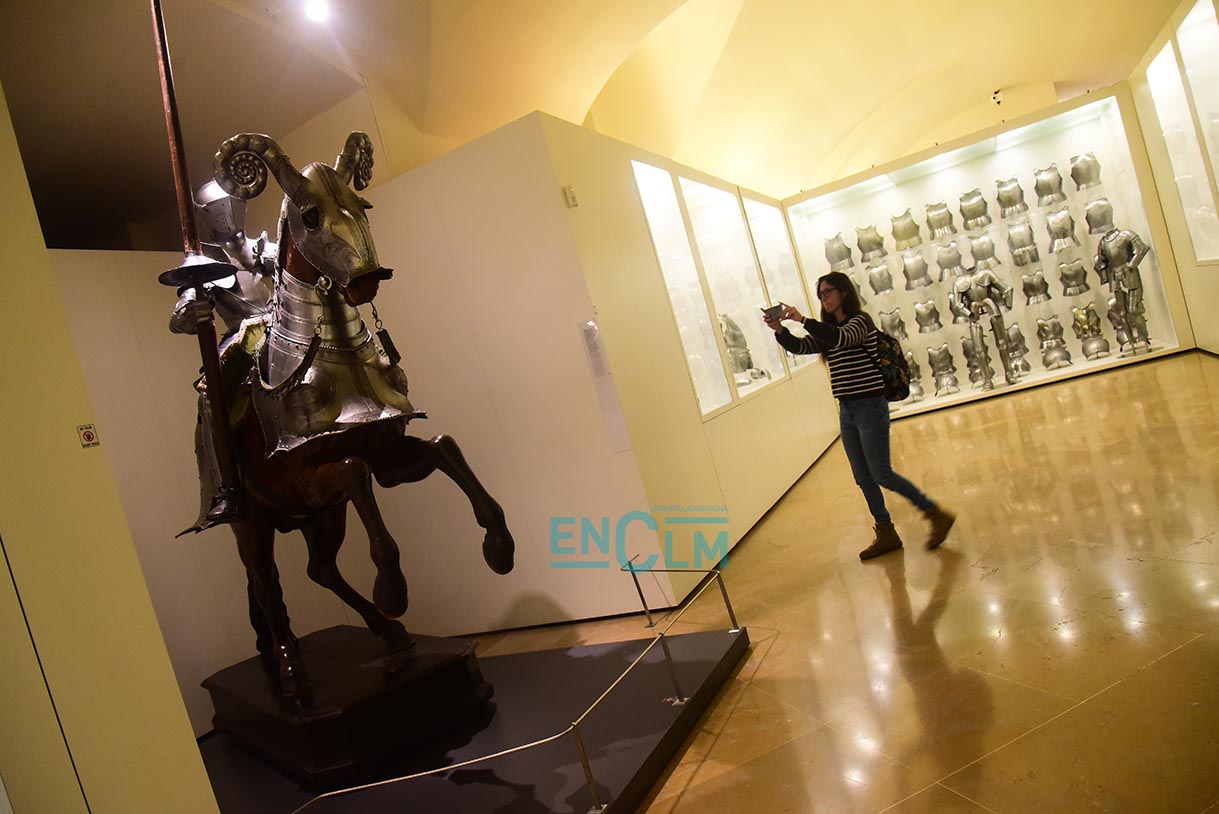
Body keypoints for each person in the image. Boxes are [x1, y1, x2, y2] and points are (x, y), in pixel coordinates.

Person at [763, 271, 955, 559]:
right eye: (820, 295)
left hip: (870, 406)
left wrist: (802, 320)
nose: (824, 298)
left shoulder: (859, 322)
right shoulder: (827, 330)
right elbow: (801, 346)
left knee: (881, 472)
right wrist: (780, 329)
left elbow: (841, 339)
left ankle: (935, 513)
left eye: (828, 292)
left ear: (843, 292)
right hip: (847, 410)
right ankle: (886, 530)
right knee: (863, 477)